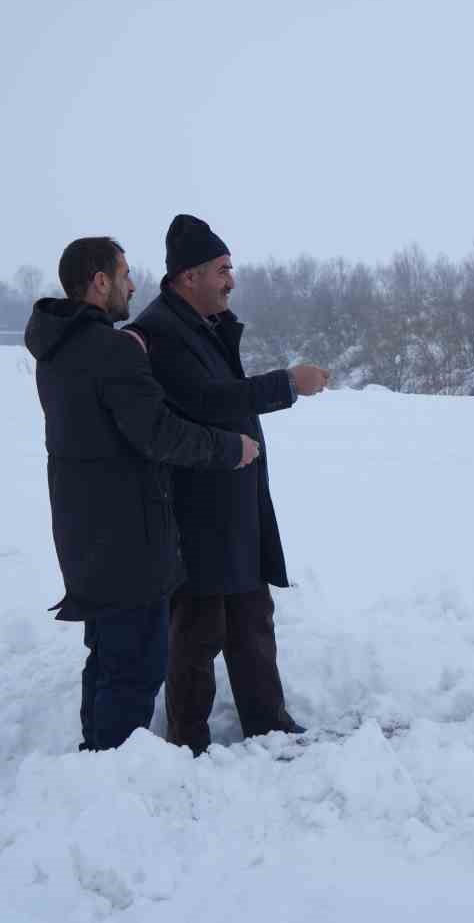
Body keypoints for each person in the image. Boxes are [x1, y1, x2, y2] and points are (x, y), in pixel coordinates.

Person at [25, 235, 260, 752]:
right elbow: (159, 432)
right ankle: (114, 774)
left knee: (108, 657)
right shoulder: (110, 351)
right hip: (128, 535)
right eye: (125, 273)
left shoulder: (57, 349)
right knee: (136, 666)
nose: (133, 284)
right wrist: (229, 449)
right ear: (99, 281)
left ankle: (94, 761)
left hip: (82, 528)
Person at [129, 214, 329, 754]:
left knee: (251, 616)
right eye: (222, 268)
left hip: (234, 500)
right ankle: (186, 740)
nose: (231, 278)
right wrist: (288, 384)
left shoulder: (202, 324)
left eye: (231, 267)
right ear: (188, 276)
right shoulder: (161, 331)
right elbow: (207, 400)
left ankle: (269, 723)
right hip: (196, 505)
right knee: (197, 625)